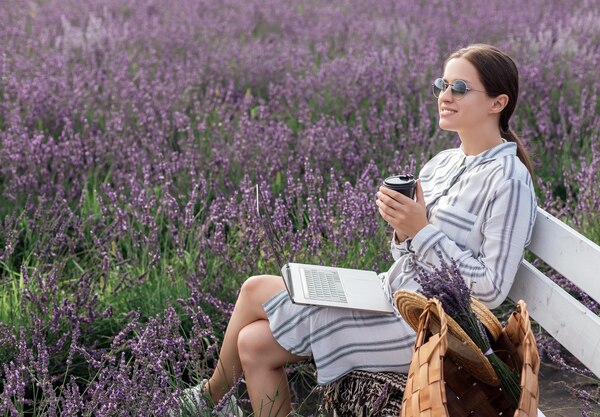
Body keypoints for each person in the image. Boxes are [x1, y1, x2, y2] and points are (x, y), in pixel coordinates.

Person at [176, 43, 537, 417]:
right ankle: (208, 400)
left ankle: (205, 400)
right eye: (441, 86)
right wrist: (402, 231)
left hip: (437, 328)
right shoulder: (442, 163)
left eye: (459, 89)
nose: (445, 97)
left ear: (498, 103)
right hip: (391, 293)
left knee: (254, 338)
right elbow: (408, 252)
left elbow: (492, 288)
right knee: (253, 326)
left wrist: (422, 230)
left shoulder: (508, 180)